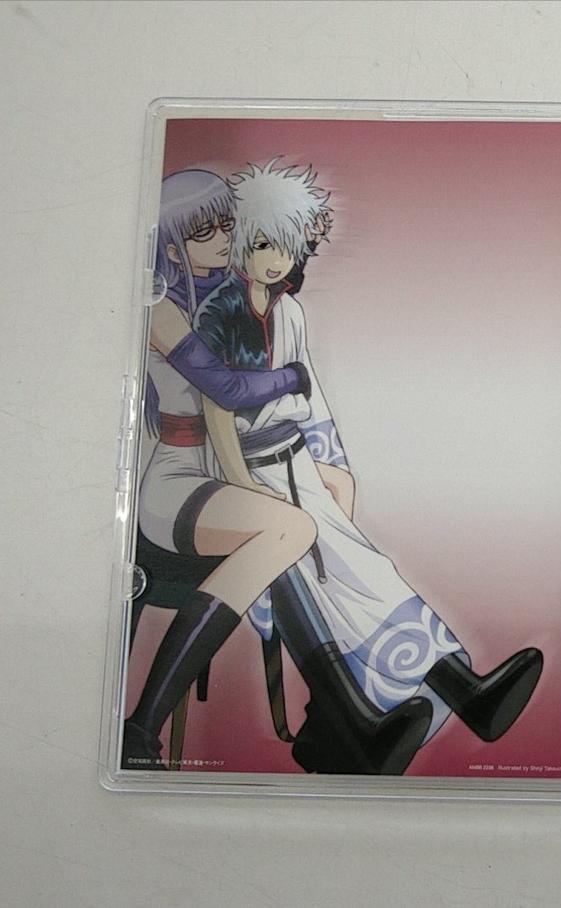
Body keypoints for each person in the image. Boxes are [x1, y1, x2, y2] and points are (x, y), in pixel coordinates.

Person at [193, 159, 542, 774]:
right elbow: (216, 411)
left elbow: (312, 396)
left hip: (297, 465)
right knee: (312, 577)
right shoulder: (216, 313)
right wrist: (242, 486)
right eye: (264, 243)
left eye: (286, 246)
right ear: (243, 240)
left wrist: (332, 463)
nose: (275, 259)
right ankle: (370, 714)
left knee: (363, 571)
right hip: (243, 475)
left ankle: (450, 693)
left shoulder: (290, 313)